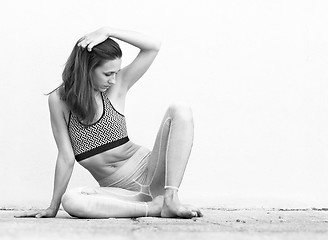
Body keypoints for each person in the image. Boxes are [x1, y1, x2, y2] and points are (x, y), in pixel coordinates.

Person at [17, 27, 202, 219]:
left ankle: (170, 198)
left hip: (152, 175)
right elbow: (66, 157)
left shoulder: (117, 87)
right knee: (71, 200)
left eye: (116, 72)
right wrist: (52, 208)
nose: (113, 80)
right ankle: (156, 208)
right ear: (86, 69)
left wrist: (108, 31)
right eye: (107, 74)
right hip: (121, 194)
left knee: (180, 109)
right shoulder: (58, 100)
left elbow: (153, 47)